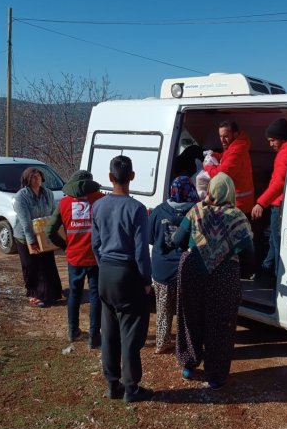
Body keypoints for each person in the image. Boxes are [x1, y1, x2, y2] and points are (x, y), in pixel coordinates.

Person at [172, 172, 254, 390]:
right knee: (221, 325)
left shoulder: (196, 210)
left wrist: (199, 245)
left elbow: (177, 240)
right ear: (231, 192)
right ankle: (215, 376)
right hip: (224, 275)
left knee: (190, 318)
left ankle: (189, 365)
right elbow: (249, 255)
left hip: (192, 270)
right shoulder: (237, 217)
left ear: (210, 190)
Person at [92, 155, 154, 403]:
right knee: (130, 333)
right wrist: (146, 280)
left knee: (108, 331)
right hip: (128, 273)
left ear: (109, 177)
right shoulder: (137, 209)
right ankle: (131, 388)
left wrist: (103, 266)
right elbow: (141, 251)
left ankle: (111, 383)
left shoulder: (98, 206)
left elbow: (95, 244)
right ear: (132, 177)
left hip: (105, 272)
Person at [46, 170, 105, 348]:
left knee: (74, 294)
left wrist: (65, 245)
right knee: (95, 296)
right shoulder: (101, 199)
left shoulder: (64, 203)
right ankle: (94, 338)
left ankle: (73, 331)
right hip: (96, 257)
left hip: (75, 257)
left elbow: (49, 231)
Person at [148, 175, 199, 354]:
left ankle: (161, 342)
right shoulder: (196, 211)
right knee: (185, 312)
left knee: (163, 308)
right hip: (185, 270)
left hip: (161, 269)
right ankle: (184, 346)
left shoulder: (159, 210)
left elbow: (150, 238)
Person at [251, 119, 287, 286]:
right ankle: (266, 270)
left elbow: (279, 182)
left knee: (276, 243)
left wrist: (261, 203)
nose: (270, 144)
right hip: (277, 203)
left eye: (272, 140)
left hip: (278, 205)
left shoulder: (284, 153)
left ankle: (274, 280)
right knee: (273, 241)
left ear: (280, 138)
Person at [12, 167, 62, 308]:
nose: (37, 179)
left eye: (38, 176)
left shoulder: (48, 193)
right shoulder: (21, 197)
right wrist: (32, 242)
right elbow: (25, 223)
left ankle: (52, 293)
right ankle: (34, 293)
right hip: (24, 236)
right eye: (33, 177)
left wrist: (54, 233)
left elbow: (53, 213)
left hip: (43, 234)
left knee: (47, 265)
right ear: (27, 179)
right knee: (31, 266)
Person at [203, 121, 255, 214]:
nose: (222, 140)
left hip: (238, 206)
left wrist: (207, 166)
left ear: (235, 134)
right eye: (220, 136)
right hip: (237, 203)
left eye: (225, 136)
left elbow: (219, 177)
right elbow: (225, 157)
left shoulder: (236, 152)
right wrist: (214, 155)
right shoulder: (235, 146)